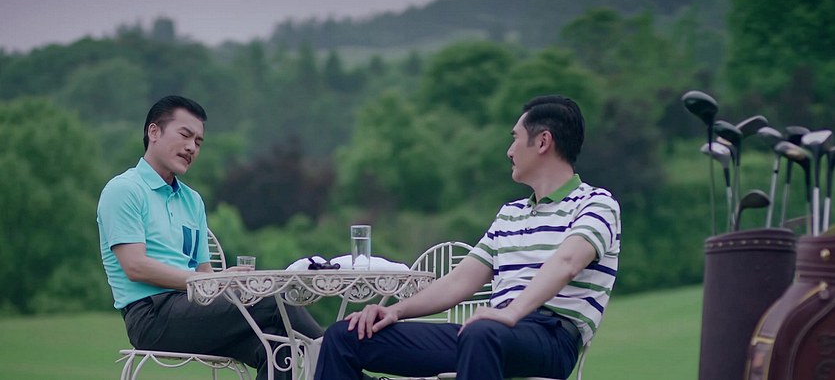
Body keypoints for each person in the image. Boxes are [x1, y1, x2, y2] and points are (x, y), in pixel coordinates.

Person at [314, 95, 621, 380]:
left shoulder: (596, 204)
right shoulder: (510, 214)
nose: (509, 151)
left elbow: (567, 262)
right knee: (345, 336)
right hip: (488, 334)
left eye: (515, 138)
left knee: (481, 333)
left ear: (543, 141)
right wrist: (395, 311)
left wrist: (511, 313)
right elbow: (459, 281)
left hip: (550, 338)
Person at [97, 95, 323, 380]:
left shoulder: (192, 200)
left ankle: (336, 357)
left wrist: (224, 279)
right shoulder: (125, 190)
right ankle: (342, 359)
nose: (192, 147)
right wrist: (209, 282)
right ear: (153, 132)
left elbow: (204, 275)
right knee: (275, 299)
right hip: (151, 316)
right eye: (185, 135)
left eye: (198, 142)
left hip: (195, 309)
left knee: (278, 344)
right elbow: (135, 267)